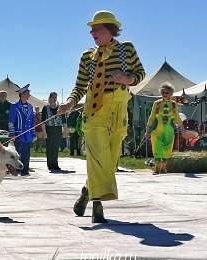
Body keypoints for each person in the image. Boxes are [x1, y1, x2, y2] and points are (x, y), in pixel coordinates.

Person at [58, 10, 145, 223]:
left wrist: (127, 79)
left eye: (96, 28)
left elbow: (140, 73)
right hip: (94, 109)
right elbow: (79, 85)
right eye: (91, 29)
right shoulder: (87, 55)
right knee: (98, 157)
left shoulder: (127, 49)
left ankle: (87, 192)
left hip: (119, 109)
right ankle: (98, 207)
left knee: (111, 159)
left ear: (110, 30)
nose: (91, 32)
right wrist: (70, 102)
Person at [146, 82, 184, 175]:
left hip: (169, 130)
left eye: (167, 92)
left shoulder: (174, 104)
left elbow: (177, 117)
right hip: (157, 130)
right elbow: (151, 117)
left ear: (170, 94)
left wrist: (183, 129)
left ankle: (163, 169)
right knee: (157, 148)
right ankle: (157, 169)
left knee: (167, 148)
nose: (165, 94)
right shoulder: (157, 103)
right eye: (163, 92)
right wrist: (148, 130)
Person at [8, 84, 36, 176]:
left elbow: (32, 121)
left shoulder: (30, 107)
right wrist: (12, 133)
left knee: (26, 154)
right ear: (22, 94)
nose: (29, 95)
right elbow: (11, 120)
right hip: (18, 134)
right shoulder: (14, 106)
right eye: (28, 93)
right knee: (17, 154)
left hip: (27, 135)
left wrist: (33, 134)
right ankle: (15, 170)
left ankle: (25, 170)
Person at [41, 92, 68, 171]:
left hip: (57, 129)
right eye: (53, 97)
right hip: (49, 128)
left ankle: (55, 164)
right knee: (49, 147)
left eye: (55, 97)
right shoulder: (46, 108)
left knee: (56, 147)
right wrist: (44, 132)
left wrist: (65, 131)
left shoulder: (60, 108)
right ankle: (50, 164)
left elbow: (64, 121)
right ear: (49, 98)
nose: (54, 99)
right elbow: (43, 121)